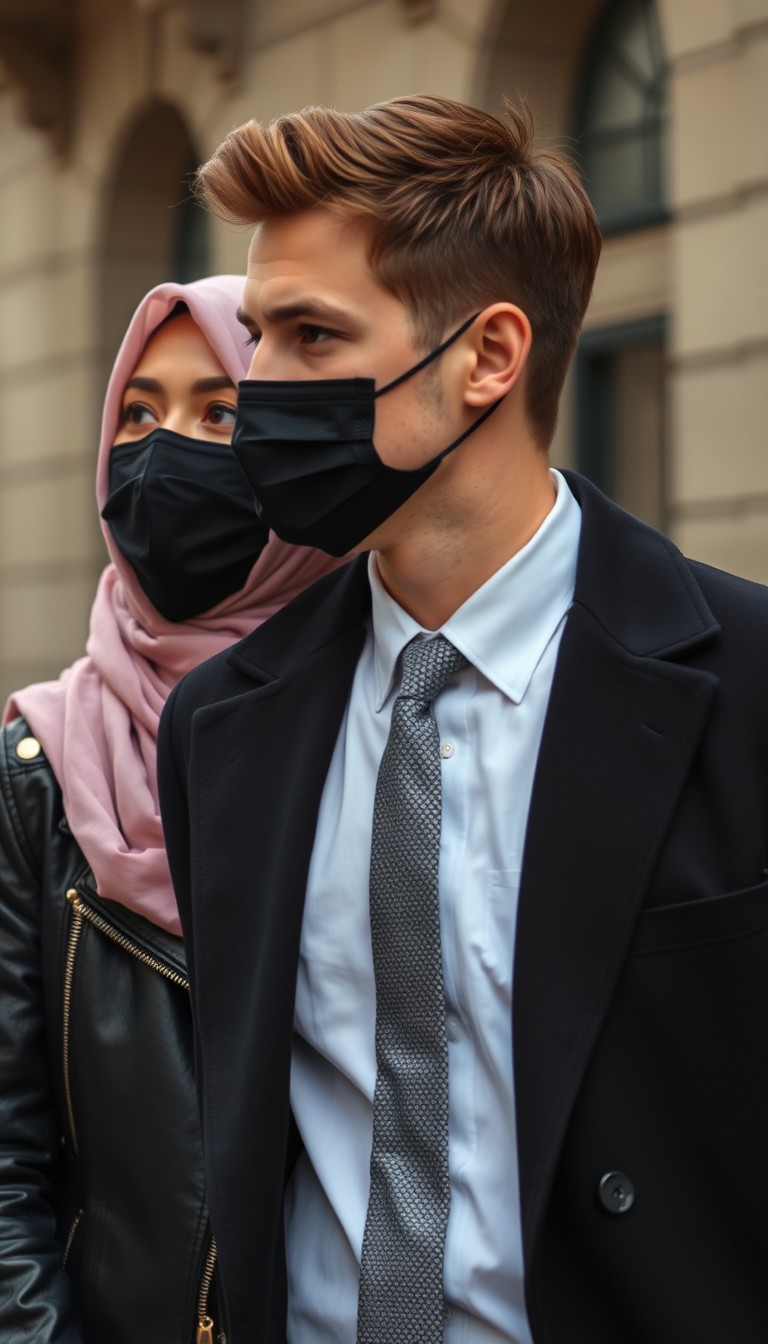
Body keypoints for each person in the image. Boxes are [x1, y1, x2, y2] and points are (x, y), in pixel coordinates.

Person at [158, 96, 768, 1344]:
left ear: (489, 357)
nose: (258, 383)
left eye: (312, 335)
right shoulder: (224, 726)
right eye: (259, 334)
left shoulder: (751, 684)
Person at [0, 274, 345, 1344]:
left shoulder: (389, 726)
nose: (160, 456)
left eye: (222, 414)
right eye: (138, 415)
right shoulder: (39, 767)